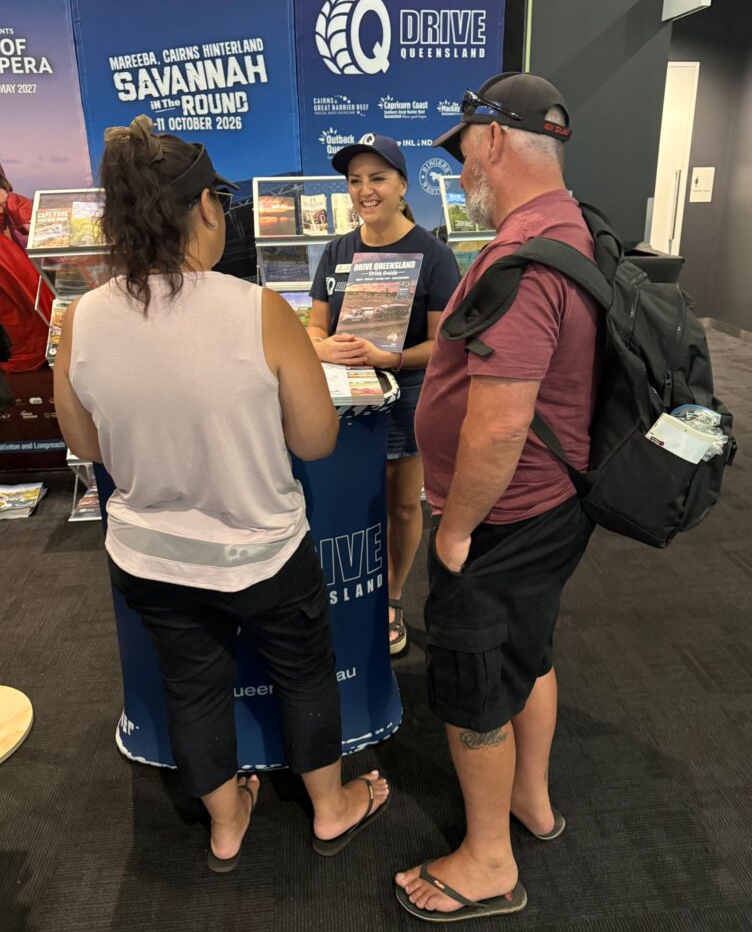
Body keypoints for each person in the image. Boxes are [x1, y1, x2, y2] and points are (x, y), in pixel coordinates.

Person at [53, 116, 389, 873]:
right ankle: (331, 808)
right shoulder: (256, 309)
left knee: (192, 685)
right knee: (304, 671)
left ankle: (227, 824)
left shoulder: (84, 319)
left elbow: (84, 446)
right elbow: (315, 441)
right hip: (264, 551)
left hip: (151, 556)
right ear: (207, 207)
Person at [394, 73, 600, 920]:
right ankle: (532, 804)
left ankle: (488, 862)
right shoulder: (567, 227)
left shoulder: (518, 261)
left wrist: (453, 534)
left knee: (477, 679)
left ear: (494, 141)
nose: (460, 171)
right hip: (554, 505)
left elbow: (496, 429)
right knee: (529, 652)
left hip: (503, 516)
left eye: (463, 151)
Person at [308, 134, 460, 655]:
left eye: (377, 178)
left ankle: (391, 598)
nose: (364, 191)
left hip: (409, 396)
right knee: (347, 500)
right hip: (346, 400)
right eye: (355, 181)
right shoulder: (336, 251)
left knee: (399, 505)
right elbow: (313, 328)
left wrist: (389, 359)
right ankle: (349, 593)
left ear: (402, 184)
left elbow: (442, 345)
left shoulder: (434, 256)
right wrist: (327, 348)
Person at [0, 147, 54, 372]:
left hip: (0, 258)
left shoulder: (1, 194)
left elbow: (26, 225)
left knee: (10, 306)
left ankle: (24, 350)